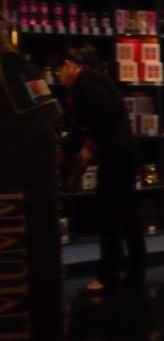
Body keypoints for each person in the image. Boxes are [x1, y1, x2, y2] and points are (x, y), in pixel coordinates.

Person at [56, 48, 146, 289]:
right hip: (126, 150)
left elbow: (91, 123)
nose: (59, 79)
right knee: (127, 211)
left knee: (109, 214)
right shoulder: (95, 79)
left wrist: (83, 148)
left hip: (115, 154)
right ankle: (137, 265)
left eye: (58, 72)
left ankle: (109, 274)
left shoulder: (82, 84)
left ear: (68, 65)